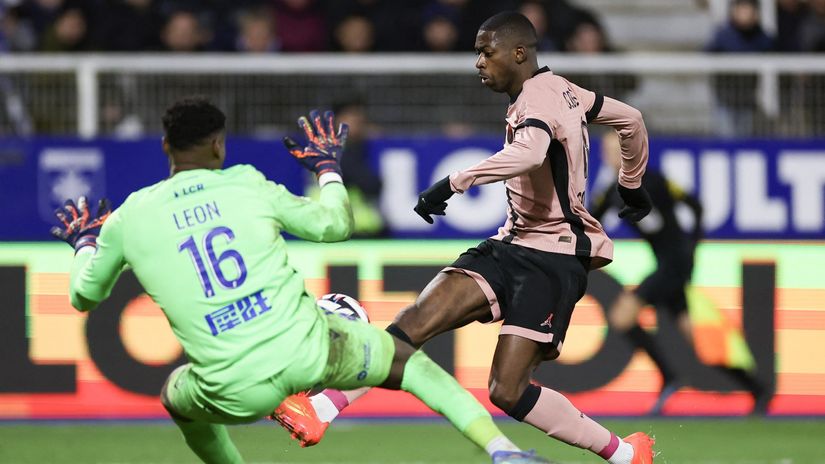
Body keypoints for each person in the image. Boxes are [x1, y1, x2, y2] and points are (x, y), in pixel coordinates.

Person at [49, 97, 550, 464]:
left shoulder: (129, 218)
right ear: (219, 146)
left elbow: (82, 295)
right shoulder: (245, 182)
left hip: (231, 386)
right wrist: (329, 169)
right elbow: (334, 226)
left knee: (176, 397)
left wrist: (85, 244)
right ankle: (502, 451)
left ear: (165, 147)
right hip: (308, 350)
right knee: (407, 363)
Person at [272, 12, 656, 464]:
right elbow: (629, 118)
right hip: (511, 245)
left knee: (507, 391)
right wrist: (632, 182)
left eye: (485, 51)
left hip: (552, 257)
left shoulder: (539, 98)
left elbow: (531, 152)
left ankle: (625, 455)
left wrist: (454, 181)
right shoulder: (565, 91)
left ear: (519, 53)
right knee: (415, 321)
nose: (478, 62)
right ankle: (318, 410)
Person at [591, 130, 770, 416]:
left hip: (676, 262)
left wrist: (693, 248)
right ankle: (757, 388)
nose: (614, 156)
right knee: (698, 340)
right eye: (609, 151)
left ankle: (669, 377)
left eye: (619, 150)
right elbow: (590, 223)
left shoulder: (654, 180)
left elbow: (695, 205)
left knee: (622, 316)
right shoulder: (611, 193)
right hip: (665, 264)